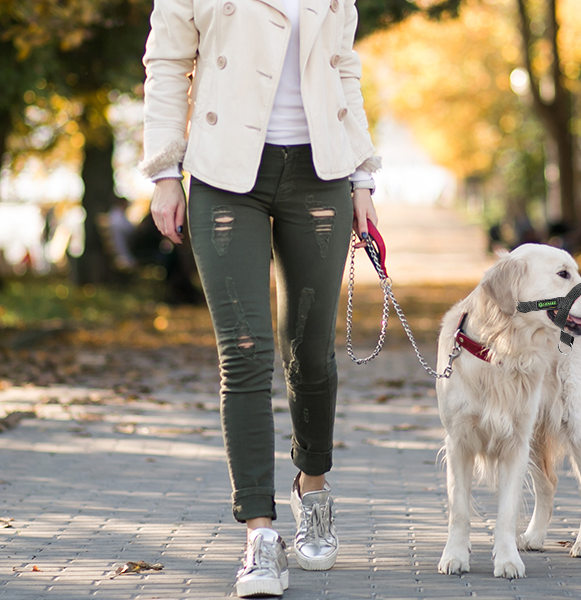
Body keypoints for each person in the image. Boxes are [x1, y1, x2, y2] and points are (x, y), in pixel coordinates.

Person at [139, 0, 380, 597]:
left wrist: (364, 178)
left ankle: (313, 487)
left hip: (320, 174)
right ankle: (260, 536)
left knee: (312, 353)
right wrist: (165, 171)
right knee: (245, 352)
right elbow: (167, 63)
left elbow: (343, 67)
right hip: (224, 176)